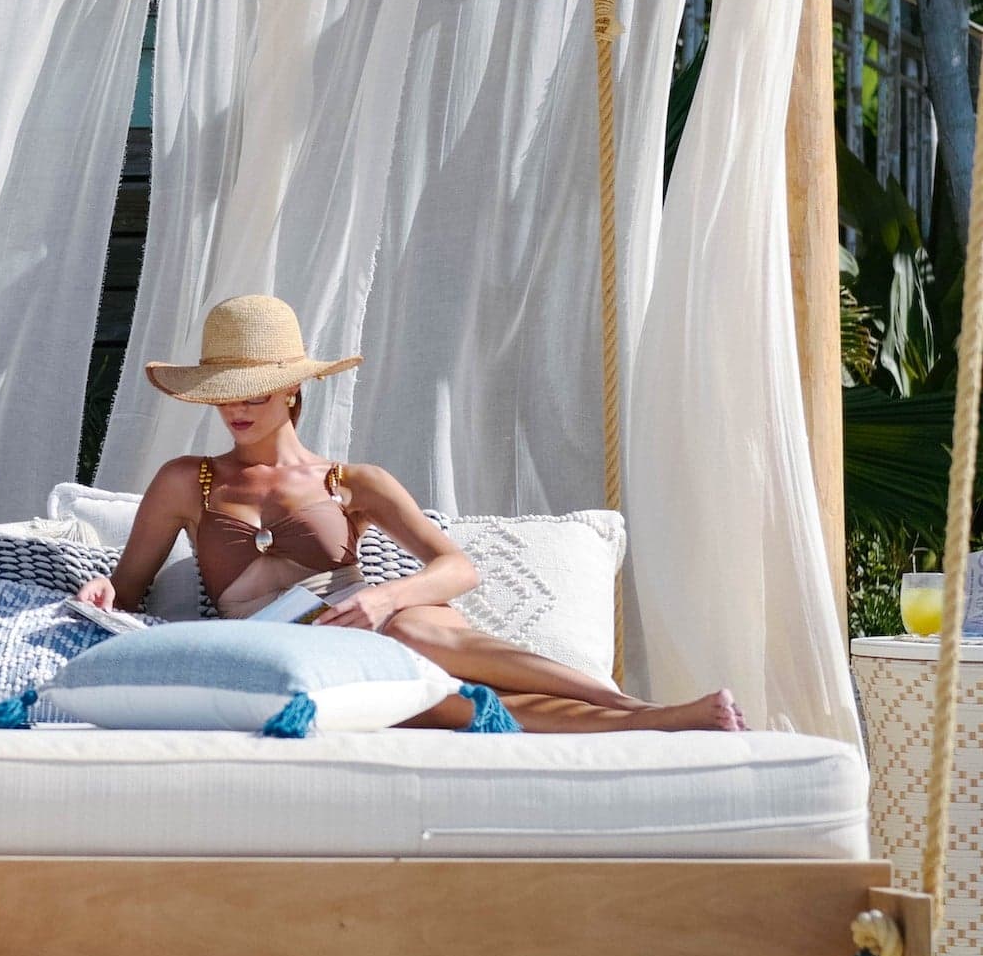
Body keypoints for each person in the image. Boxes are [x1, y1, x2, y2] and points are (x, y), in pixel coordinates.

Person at [75, 294, 745, 733]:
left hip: (383, 623)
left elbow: (457, 568)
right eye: (224, 394)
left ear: (293, 388)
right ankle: (657, 720)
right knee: (452, 704)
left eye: (254, 392)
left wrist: (382, 598)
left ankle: (638, 708)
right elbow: (128, 590)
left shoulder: (352, 481)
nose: (236, 409)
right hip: (289, 655)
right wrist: (104, 588)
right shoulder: (185, 481)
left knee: (412, 630)